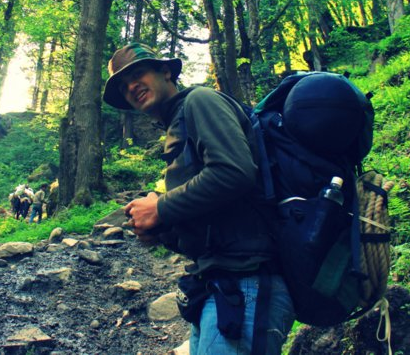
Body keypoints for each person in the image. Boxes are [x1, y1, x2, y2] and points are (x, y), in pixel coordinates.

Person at [103, 42, 294, 354]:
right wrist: (160, 229)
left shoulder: (200, 101)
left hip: (248, 283)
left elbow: (235, 172)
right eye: (123, 86)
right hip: (219, 285)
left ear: (166, 72)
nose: (131, 87)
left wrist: (160, 207)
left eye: (137, 75)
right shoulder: (177, 127)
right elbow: (211, 222)